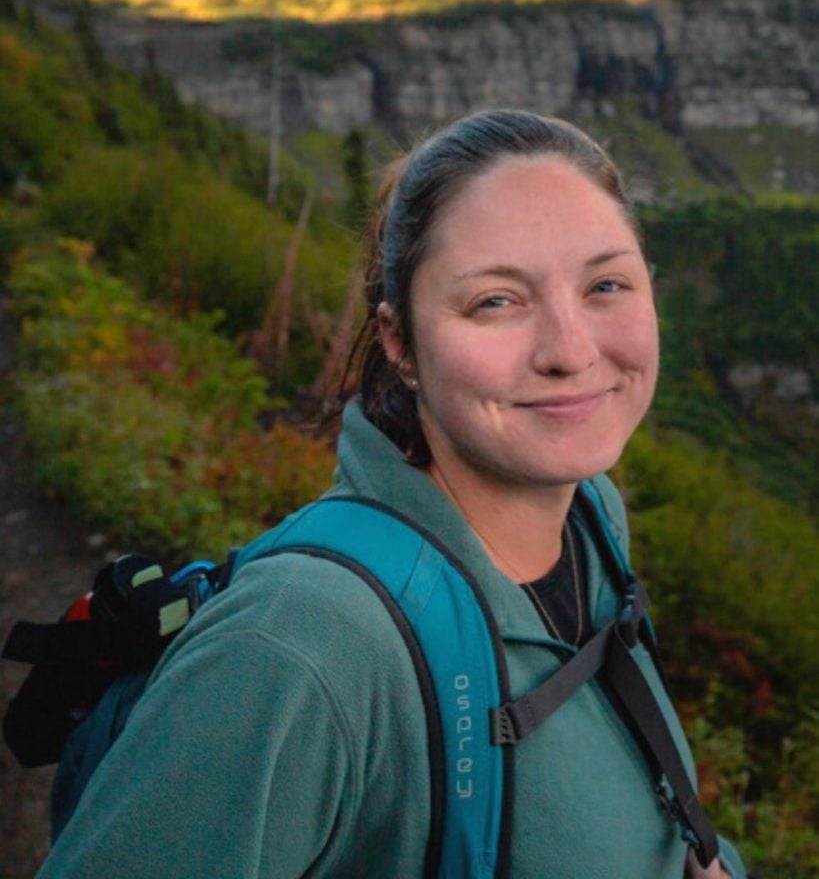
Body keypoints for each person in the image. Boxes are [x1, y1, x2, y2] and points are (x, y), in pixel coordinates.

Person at [36, 109, 746, 878]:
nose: (571, 350)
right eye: (495, 302)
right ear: (399, 343)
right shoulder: (299, 646)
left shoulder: (588, 520)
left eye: (605, 283)